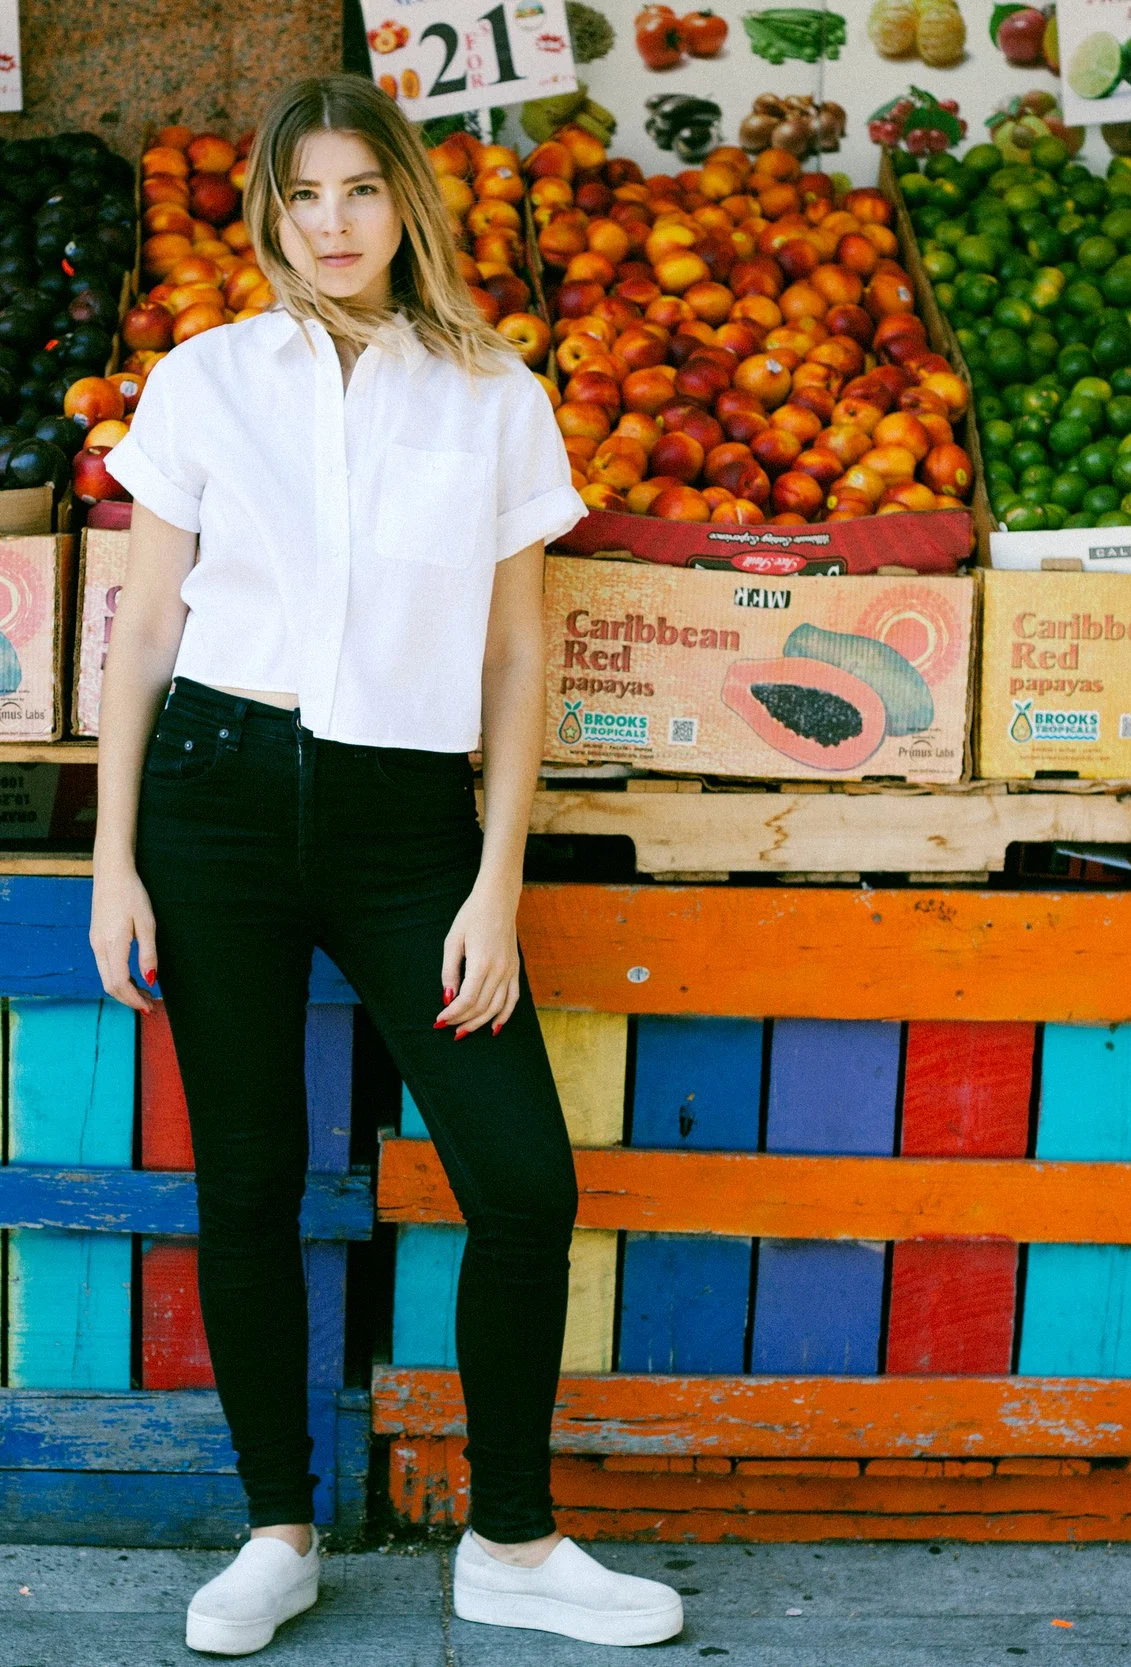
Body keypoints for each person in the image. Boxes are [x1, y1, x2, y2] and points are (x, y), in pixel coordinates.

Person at [87, 73, 686, 1658]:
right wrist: (112, 860)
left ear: (402, 204)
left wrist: (497, 878)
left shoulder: (493, 395)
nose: (332, 225)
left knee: (521, 1179)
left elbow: (512, 657)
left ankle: (511, 1536)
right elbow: (145, 629)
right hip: (212, 806)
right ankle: (277, 1525)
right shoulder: (207, 381)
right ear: (268, 216)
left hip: (408, 822)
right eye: (302, 198)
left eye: (359, 192)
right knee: (250, 1175)